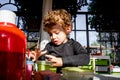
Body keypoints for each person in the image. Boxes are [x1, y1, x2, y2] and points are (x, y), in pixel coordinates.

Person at [30, 9, 90, 73]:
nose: (53, 37)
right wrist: (37, 56)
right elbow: (43, 57)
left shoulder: (73, 45)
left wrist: (62, 61)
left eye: (57, 33)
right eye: (50, 34)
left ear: (68, 29)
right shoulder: (49, 46)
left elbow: (85, 58)